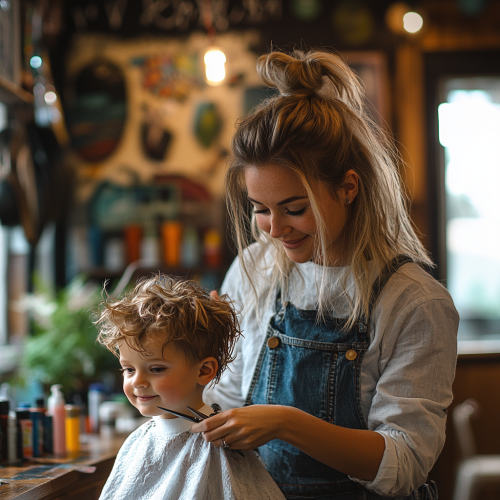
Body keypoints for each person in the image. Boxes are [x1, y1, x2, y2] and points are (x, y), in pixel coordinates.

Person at [194, 49, 459, 500]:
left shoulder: (414, 302)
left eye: (295, 209)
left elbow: (403, 463)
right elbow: (228, 398)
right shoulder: (256, 269)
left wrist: (286, 421)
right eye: (260, 210)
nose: (275, 230)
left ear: (348, 187)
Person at [95, 275, 286, 500]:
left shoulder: (218, 447)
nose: (137, 381)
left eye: (156, 369)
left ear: (204, 371)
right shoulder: (136, 443)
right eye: (128, 370)